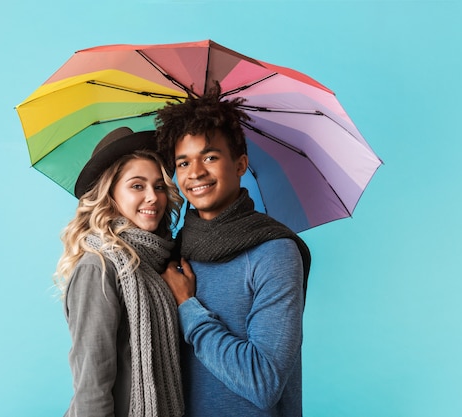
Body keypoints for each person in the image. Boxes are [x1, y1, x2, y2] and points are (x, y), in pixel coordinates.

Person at [155, 84, 312, 417]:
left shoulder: (275, 253)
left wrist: (188, 306)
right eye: (183, 163)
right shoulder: (173, 253)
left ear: (240, 164)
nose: (195, 173)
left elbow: (263, 382)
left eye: (209, 157)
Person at [54, 127, 185, 417]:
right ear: (110, 194)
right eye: (137, 186)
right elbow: (91, 389)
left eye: (159, 186)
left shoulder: (158, 264)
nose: (153, 197)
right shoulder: (97, 266)